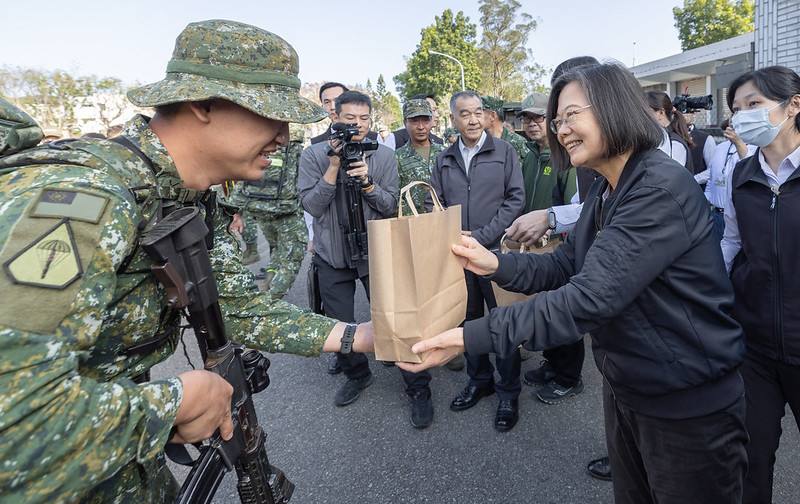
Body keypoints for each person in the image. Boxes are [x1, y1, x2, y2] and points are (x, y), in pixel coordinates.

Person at [0, 20, 375, 503]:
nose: (283, 137)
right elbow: (16, 422)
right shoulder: (82, 200)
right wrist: (174, 403)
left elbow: (238, 306)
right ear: (202, 105)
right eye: (271, 116)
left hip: (116, 460)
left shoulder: (186, 197)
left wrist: (359, 336)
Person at [402, 63, 747, 504]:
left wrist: (468, 337)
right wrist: (494, 265)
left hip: (686, 403)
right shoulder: (607, 189)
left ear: (613, 108)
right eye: (557, 120)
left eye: (571, 116)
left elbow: (585, 299)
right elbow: (564, 264)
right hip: (632, 387)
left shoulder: (656, 188)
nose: (561, 130)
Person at [722, 65, 800, 504]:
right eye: (736, 109)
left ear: (793, 106)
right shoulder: (742, 175)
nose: (742, 116)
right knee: (750, 457)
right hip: (754, 346)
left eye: (754, 105)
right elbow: (731, 243)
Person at [429, 90, 524, 432]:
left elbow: (515, 199)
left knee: (503, 322)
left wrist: (481, 237)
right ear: (453, 119)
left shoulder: (504, 151)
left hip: (494, 252)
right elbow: (435, 204)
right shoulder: (444, 159)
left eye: (478, 112)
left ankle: (509, 392)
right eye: (464, 113)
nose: (472, 119)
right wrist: (450, 238)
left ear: (485, 116)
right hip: (457, 256)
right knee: (467, 321)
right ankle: (479, 379)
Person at [298, 90, 399, 407]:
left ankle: (413, 380)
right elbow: (312, 206)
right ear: (334, 118)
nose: (358, 125)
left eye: (364, 119)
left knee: (394, 315)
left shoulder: (383, 156)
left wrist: (368, 183)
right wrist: (333, 168)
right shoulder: (312, 156)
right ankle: (357, 374)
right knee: (339, 325)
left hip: (375, 253)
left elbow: (391, 206)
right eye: (350, 119)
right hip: (333, 255)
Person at [516, 90, 586, 404]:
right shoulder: (530, 154)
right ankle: (552, 363)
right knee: (545, 313)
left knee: (563, 315)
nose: (532, 124)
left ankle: (570, 377)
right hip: (533, 248)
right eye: (528, 118)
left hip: (557, 250)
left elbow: (576, 212)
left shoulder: (567, 160)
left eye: (539, 118)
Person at [392, 98, 448, 428]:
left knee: (444, 297)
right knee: (409, 310)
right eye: (414, 120)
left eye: (425, 119)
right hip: (409, 239)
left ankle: (447, 345)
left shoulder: (447, 152)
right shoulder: (396, 158)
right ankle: (418, 389)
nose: (421, 125)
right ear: (406, 122)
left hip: (441, 238)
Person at [223, 124, 308, 299]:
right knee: (291, 259)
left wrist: (235, 210)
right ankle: (270, 300)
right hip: (287, 211)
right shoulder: (295, 149)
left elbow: (242, 180)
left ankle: (269, 280)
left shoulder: (257, 147)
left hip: (259, 209)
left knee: (276, 248)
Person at [696, 119, 755, 242]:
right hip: (717, 215)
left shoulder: (755, 149)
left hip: (739, 216)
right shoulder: (721, 147)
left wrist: (738, 142)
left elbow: (750, 172)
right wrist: (707, 198)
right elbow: (712, 175)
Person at [311, 82, 379, 145]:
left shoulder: (375, 139)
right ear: (322, 106)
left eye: (337, 100)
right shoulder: (315, 143)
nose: (332, 107)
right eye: (327, 102)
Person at [646, 90, 695, 172]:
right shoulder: (659, 138)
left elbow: (670, 177)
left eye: (646, 112)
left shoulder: (675, 144)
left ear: (661, 112)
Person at [482, 95, 530, 166]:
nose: (475, 118)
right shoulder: (479, 143)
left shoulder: (518, 143)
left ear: (492, 116)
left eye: (479, 113)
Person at [684, 111, 717, 177]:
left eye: (688, 111)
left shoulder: (705, 138)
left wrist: (694, 180)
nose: (684, 115)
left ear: (694, 115)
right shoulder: (669, 136)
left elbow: (713, 169)